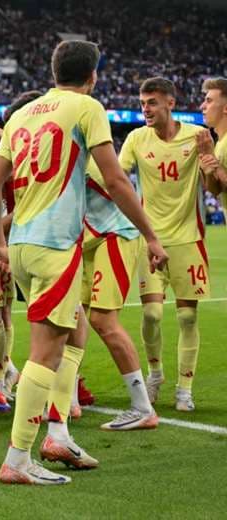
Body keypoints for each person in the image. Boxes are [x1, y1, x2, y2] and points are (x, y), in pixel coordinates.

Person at [0, 40, 167, 485]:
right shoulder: (87, 107)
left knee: (76, 330)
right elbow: (115, 179)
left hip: (23, 244)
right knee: (45, 353)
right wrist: (150, 234)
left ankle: (60, 434)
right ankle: (18, 458)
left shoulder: (24, 114)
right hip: (56, 246)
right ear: (94, 75)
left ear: (53, 70)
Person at [119, 77, 210, 412]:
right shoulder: (135, 139)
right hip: (150, 240)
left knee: (187, 318)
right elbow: (114, 174)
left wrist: (209, 156)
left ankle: (185, 389)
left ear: (171, 103)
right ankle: (155, 373)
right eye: (143, 103)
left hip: (189, 240)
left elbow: (212, 182)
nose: (146, 108)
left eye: (152, 102)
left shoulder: (196, 136)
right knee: (152, 314)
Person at [81, 159, 158, 430]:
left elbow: (118, 184)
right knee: (71, 318)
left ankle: (142, 408)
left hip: (113, 234)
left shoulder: (87, 157)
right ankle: (65, 397)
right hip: (85, 241)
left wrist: (151, 238)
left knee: (103, 321)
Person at [199, 78, 227, 232]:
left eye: (208, 101)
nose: (202, 106)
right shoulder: (219, 144)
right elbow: (217, 190)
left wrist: (216, 167)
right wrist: (209, 172)